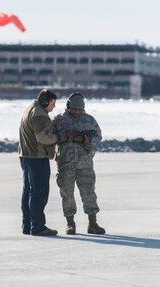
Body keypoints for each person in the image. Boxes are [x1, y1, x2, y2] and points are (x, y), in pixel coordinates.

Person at [52, 92, 106, 235]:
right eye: (73, 109)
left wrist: (85, 140)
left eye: (79, 109)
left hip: (85, 163)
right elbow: (51, 137)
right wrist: (65, 136)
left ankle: (93, 223)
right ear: (68, 106)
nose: (76, 112)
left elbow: (98, 136)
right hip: (65, 163)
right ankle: (70, 223)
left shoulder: (90, 120)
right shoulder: (59, 120)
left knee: (89, 192)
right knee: (67, 193)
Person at [18, 89, 58, 236]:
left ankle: (27, 225)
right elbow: (42, 137)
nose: (54, 107)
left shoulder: (30, 109)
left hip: (26, 156)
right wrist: (57, 137)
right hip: (37, 157)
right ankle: (38, 226)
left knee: (28, 191)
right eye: (53, 103)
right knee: (39, 192)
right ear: (46, 102)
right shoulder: (40, 115)